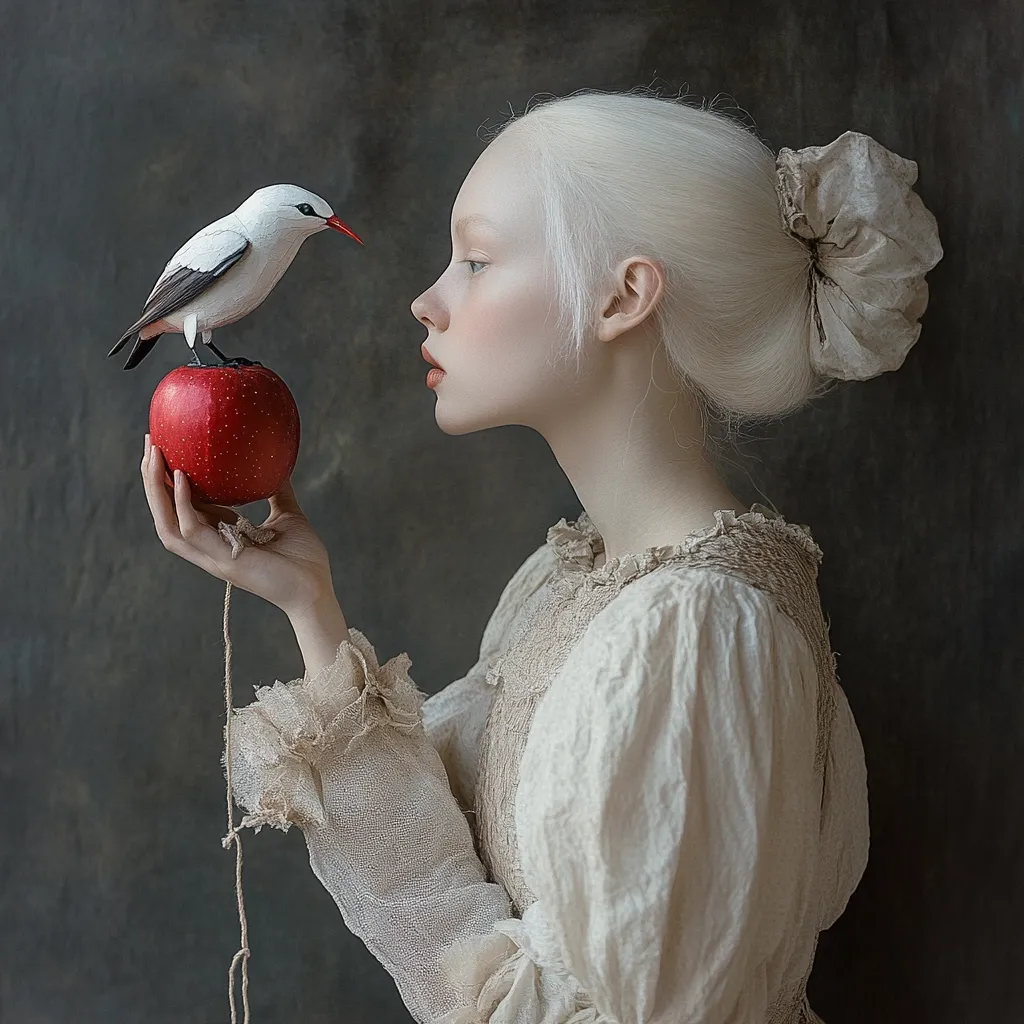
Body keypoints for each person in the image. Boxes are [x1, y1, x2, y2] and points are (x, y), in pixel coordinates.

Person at [140, 89, 942, 1023]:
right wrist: (310, 605)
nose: (427, 301)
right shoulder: (575, 583)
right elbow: (451, 883)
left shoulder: (692, 637)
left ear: (622, 297)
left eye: (477, 261)